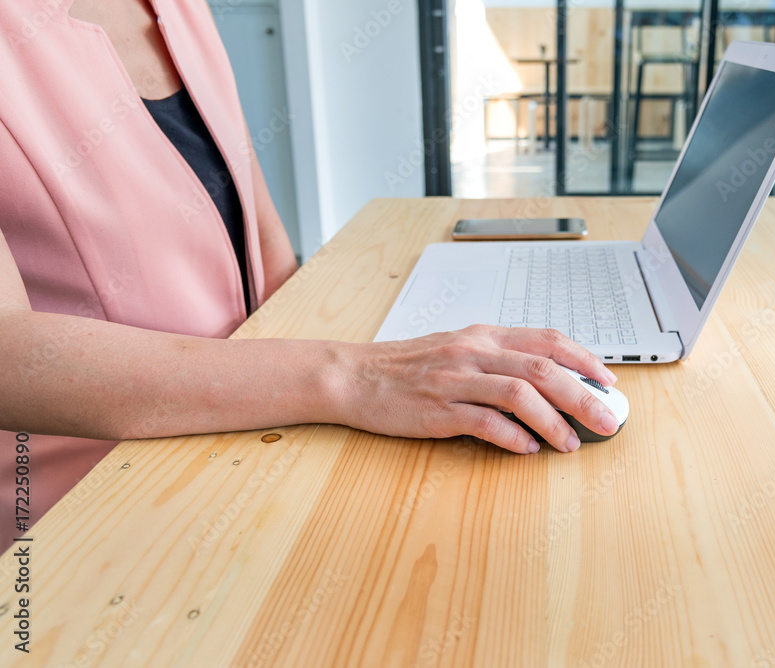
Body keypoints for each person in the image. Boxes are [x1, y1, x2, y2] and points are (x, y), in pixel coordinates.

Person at [0, 0, 619, 551]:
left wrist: (388, 359)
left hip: (258, 431)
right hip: (89, 508)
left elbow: (263, 233)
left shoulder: (182, 8)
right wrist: (348, 376)